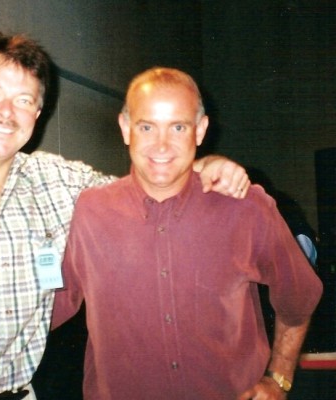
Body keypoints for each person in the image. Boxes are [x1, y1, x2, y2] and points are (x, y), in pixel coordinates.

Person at [0, 33, 250, 400]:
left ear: (37, 115)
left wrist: (207, 165)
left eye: (24, 101)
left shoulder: (59, 183)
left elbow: (148, 186)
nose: (6, 112)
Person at [51, 67, 323, 399]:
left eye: (177, 127)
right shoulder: (89, 212)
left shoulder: (247, 207)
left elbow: (299, 301)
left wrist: (278, 377)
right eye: (147, 126)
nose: (161, 145)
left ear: (200, 130)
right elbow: (45, 308)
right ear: (125, 128)